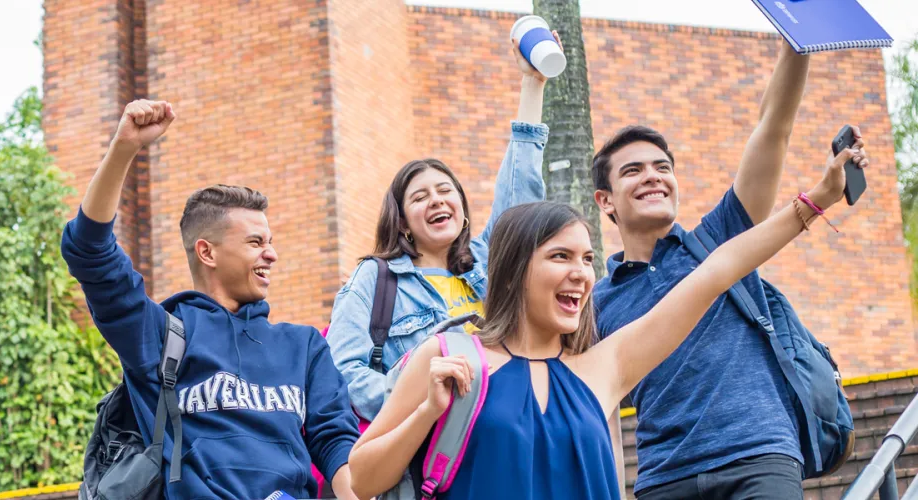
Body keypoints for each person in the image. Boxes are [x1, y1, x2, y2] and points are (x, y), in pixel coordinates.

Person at [346, 138, 868, 500]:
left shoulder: (604, 367)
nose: (581, 274)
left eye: (588, 260)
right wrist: (425, 414)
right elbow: (363, 478)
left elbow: (718, 269)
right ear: (512, 271)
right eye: (560, 258)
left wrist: (815, 201)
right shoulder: (448, 356)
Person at [591, 43, 870, 498]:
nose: (653, 177)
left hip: (759, 455)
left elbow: (772, 129)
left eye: (663, 167)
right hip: (664, 478)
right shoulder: (596, 300)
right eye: (633, 171)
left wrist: (798, 44)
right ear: (606, 200)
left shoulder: (719, 236)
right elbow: (596, 406)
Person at [61, 100, 361, 499]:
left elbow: (333, 438)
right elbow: (90, 251)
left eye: (270, 242)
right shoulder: (161, 336)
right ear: (207, 252)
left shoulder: (304, 346)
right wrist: (123, 148)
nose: (271, 254)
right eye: (255, 242)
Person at [325, 34, 559, 424]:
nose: (436, 200)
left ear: (463, 211)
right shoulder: (375, 279)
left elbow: (520, 194)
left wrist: (533, 84)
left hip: (514, 428)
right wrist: (420, 400)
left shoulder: (488, 261)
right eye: (419, 198)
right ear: (401, 222)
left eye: (445, 191)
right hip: (434, 451)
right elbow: (342, 375)